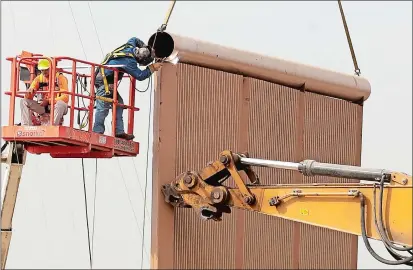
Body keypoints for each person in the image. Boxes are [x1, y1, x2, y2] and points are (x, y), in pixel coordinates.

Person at [93, 37, 163, 140]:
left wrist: (144, 47)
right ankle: (97, 133)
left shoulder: (130, 46)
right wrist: (152, 68)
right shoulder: (130, 62)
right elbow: (140, 75)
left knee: (119, 103)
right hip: (104, 81)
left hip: (107, 79)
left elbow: (134, 39)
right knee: (103, 107)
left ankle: (118, 131)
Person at [20, 59, 69, 126]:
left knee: (60, 104)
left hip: (57, 106)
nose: (44, 72)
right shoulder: (39, 78)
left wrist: (49, 101)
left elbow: (65, 98)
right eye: (42, 70)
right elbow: (29, 96)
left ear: (51, 68)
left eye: (46, 69)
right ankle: (26, 127)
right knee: (23, 101)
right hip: (43, 107)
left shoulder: (60, 78)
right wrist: (29, 93)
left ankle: (52, 127)